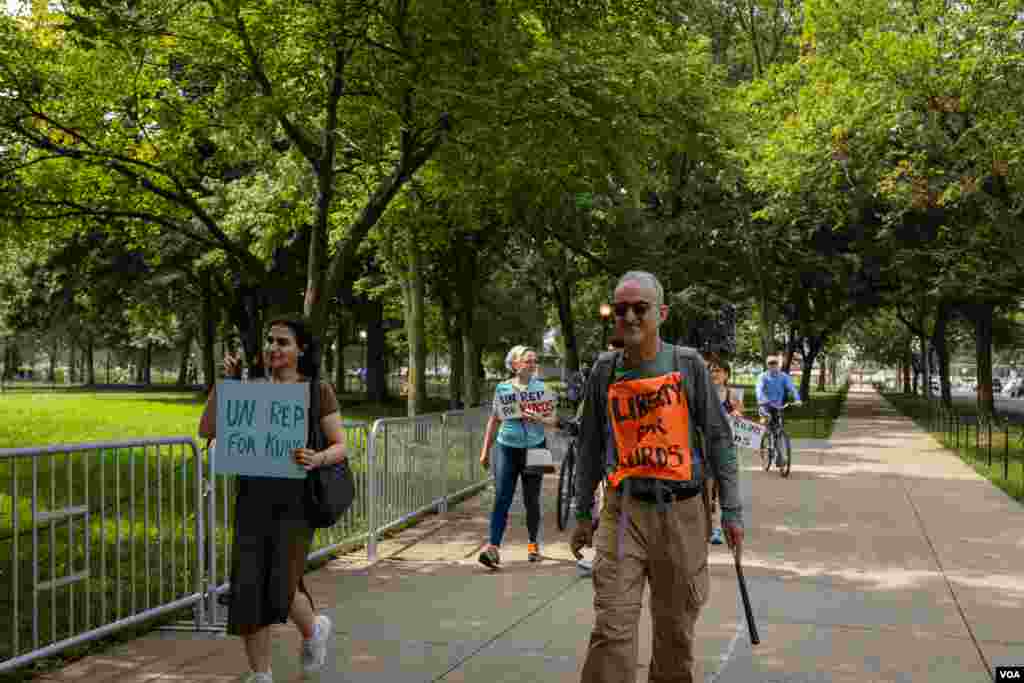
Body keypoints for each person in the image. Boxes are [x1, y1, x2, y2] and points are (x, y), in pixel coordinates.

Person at [570, 271, 743, 683]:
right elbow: (590, 446)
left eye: (640, 308)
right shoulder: (605, 370)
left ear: (661, 313)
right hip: (622, 511)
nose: (629, 316)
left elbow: (719, 438)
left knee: (675, 634)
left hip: (681, 513)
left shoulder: (687, 365)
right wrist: (582, 512)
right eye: (621, 308)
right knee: (612, 629)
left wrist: (733, 512)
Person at [199, 317, 347, 683]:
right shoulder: (249, 388)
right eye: (269, 341)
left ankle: (314, 630)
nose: (273, 348)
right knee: (248, 586)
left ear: (301, 349)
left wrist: (318, 458)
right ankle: (261, 674)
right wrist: (228, 385)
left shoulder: (317, 391)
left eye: (283, 342)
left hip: (296, 503)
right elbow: (208, 430)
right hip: (252, 499)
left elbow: (340, 446)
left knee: (281, 583)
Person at [478, 345, 557, 568]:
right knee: (502, 496)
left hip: (537, 448)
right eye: (527, 360)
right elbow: (494, 420)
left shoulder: (543, 388)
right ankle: (493, 548)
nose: (532, 364)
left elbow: (554, 421)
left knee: (532, 499)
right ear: (514, 364)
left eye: (534, 361)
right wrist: (485, 451)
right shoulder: (502, 389)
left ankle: (533, 545)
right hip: (507, 447)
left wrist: (540, 419)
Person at [705, 356, 743, 546]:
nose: (714, 374)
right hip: (704, 450)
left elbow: (741, 422)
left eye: (718, 370)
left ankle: (718, 529)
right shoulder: (702, 394)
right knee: (705, 489)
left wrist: (736, 414)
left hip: (725, 451)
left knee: (722, 490)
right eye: (711, 370)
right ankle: (708, 525)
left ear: (726, 374)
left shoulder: (732, 396)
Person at [756, 355, 802, 464]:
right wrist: (761, 399)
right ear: (767, 365)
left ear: (778, 365)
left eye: (775, 364)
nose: (773, 366)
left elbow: (792, 388)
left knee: (778, 429)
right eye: (770, 364)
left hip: (778, 406)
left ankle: (780, 456)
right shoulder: (763, 377)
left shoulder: (784, 376)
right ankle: (766, 440)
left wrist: (797, 399)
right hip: (765, 405)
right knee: (767, 421)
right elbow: (759, 389)